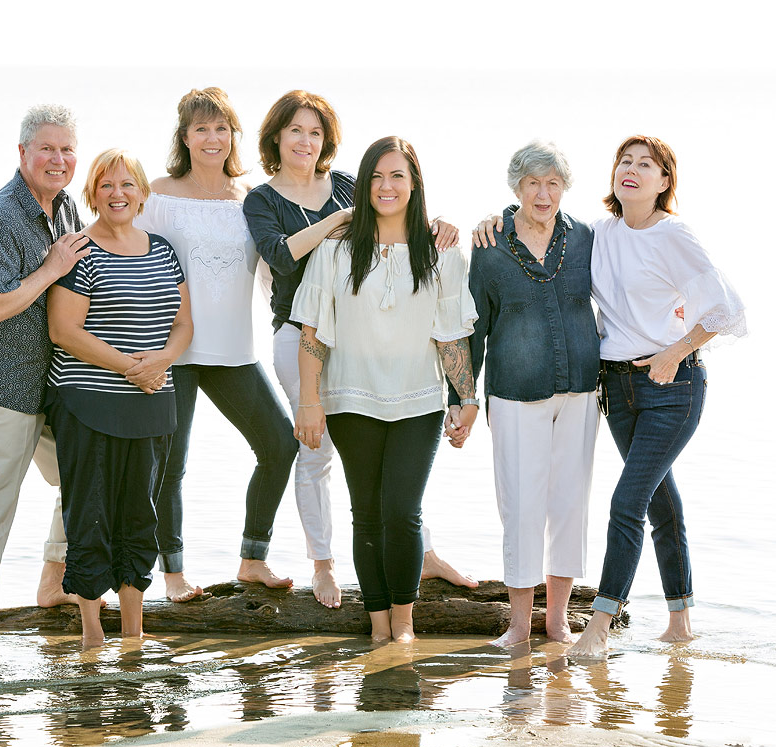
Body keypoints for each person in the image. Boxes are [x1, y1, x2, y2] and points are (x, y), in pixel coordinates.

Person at [243, 90, 475, 609]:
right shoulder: (264, 199)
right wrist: (332, 226)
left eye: (316, 132)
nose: (306, 141)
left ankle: (424, 554)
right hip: (301, 330)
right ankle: (323, 567)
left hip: (370, 331)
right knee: (317, 448)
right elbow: (281, 257)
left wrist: (437, 226)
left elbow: (394, 209)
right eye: (296, 130)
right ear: (277, 136)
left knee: (397, 466)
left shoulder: (351, 182)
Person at [291, 136, 479, 643]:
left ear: (415, 184)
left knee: (402, 511)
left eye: (397, 176)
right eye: (376, 176)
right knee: (366, 513)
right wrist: (310, 402)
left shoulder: (442, 252)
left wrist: (466, 398)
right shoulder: (335, 251)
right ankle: (377, 625)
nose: (386, 186)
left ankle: (404, 623)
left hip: (419, 400)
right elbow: (312, 334)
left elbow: (451, 334)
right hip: (350, 399)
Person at [567, 135, 746, 656]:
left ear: (664, 182)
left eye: (647, 165)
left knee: (628, 502)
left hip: (673, 386)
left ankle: (598, 628)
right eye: (625, 161)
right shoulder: (599, 233)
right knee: (661, 504)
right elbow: (541, 224)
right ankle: (680, 622)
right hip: (617, 388)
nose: (633, 170)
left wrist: (677, 350)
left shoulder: (674, 235)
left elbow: (726, 307)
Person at [135, 88, 297, 602]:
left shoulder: (252, 197)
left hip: (233, 352)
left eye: (221, 128)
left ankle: (253, 559)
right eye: (201, 129)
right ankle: (174, 576)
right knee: (170, 464)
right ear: (184, 137)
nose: (212, 138)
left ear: (233, 136)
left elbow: (277, 268)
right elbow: (130, 260)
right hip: (171, 351)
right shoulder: (157, 195)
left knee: (280, 444)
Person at [445, 141, 600, 647]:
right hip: (514, 394)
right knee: (520, 506)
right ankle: (518, 626)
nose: (543, 193)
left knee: (570, 504)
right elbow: (474, 330)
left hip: (579, 390)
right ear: (516, 188)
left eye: (553, 183)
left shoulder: (585, 241)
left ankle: (557, 622)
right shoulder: (489, 247)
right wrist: (463, 399)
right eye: (533, 182)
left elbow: (629, 286)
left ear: (564, 189)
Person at [0, 104, 92, 642]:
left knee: (84, 476)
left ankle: (52, 583)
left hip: (50, 386)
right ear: (23, 153)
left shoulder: (66, 210)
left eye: (67, 149)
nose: (58, 160)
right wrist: (51, 268)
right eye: (47, 149)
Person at [45, 148, 193, 647]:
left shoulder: (164, 250)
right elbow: (65, 331)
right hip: (87, 402)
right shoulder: (78, 250)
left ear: (143, 193)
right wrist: (133, 367)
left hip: (152, 402)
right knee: (90, 514)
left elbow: (183, 325)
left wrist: (161, 362)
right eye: (106, 185)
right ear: (92, 193)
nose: (117, 194)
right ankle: (92, 634)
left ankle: (133, 632)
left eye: (127, 185)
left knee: (139, 517)